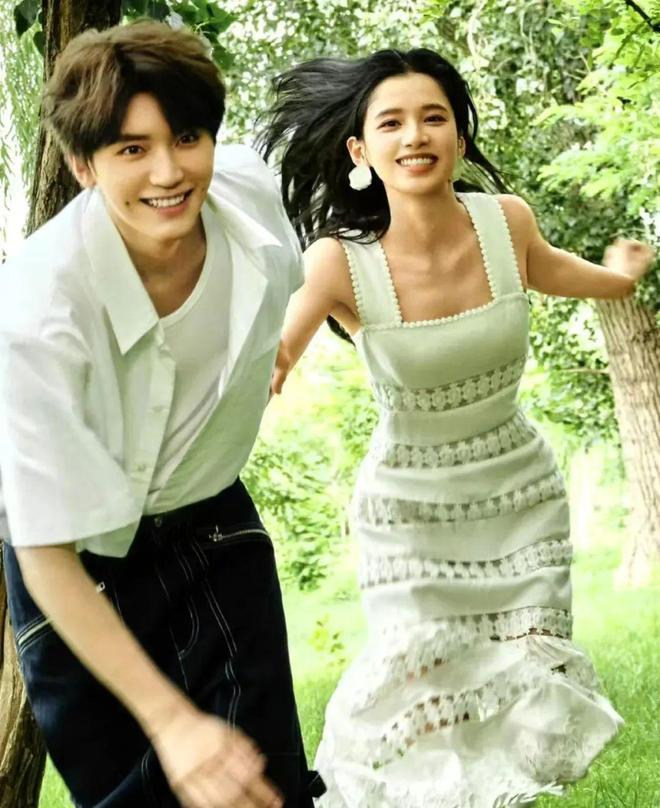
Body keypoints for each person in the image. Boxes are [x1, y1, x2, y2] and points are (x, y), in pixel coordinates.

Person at [260, 48, 654, 807]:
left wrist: (622, 277)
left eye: (433, 117)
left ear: (460, 138)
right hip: (409, 511)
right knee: (419, 697)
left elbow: (560, 270)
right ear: (360, 152)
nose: (415, 135)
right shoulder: (339, 262)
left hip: (518, 494)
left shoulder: (506, 224)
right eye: (392, 123)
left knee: (518, 692)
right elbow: (275, 358)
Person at [0, 20, 325, 808]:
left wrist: (272, 351)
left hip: (212, 524)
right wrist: (171, 722)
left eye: (186, 137)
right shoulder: (38, 310)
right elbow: (44, 549)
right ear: (83, 166)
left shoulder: (254, 209)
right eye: (131, 149)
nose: (169, 172)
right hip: (77, 565)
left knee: (263, 787)